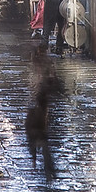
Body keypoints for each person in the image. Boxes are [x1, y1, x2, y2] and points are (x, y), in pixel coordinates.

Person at [24, 50, 62, 180]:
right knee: (44, 146)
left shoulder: (41, 89)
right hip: (37, 127)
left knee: (44, 146)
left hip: (36, 127)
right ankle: (48, 169)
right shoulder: (40, 101)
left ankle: (45, 167)